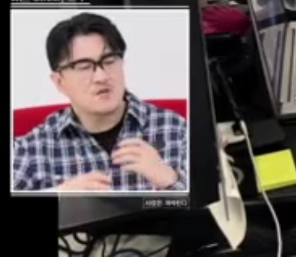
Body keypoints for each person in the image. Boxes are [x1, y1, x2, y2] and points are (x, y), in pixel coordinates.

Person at [11, 12, 188, 192]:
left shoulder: (176, 129)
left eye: (109, 61)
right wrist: (58, 196)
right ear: (59, 82)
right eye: (84, 67)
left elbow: (204, 202)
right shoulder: (34, 148)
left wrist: (170, 180)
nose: (101, 77)